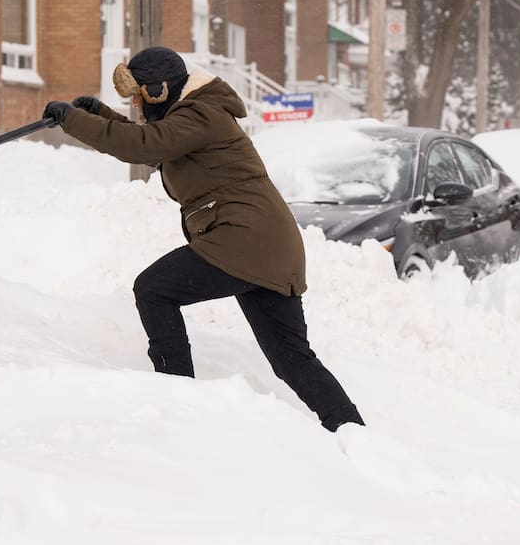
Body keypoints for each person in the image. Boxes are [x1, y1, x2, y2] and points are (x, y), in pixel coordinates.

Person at [42, 46, 365, 432]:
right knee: (291, 359)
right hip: (269, 244)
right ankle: (352, 432)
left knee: (154, 290)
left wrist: (74, 121)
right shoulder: (193, 117)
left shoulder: (201, 114)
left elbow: (145, 144)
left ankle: (178, 398)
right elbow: (154, 146)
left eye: (138, 97)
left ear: (159, 91)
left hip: (246, 238)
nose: (135, 106)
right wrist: (99, 115)